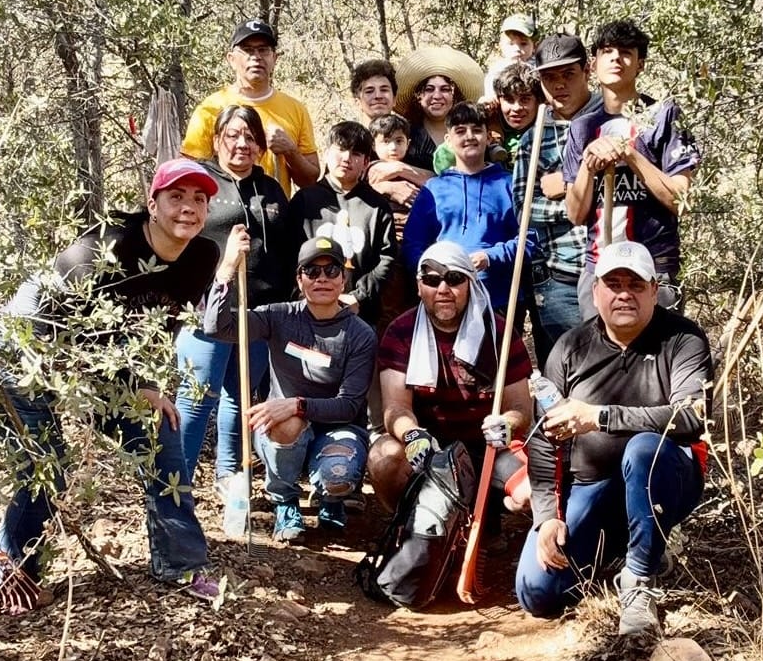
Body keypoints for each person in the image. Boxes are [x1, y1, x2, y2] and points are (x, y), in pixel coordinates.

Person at [0, 159, 224, 610]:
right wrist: (135, 382)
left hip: (102, 359)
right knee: (45, 464)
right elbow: (74, 333)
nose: (188, 208)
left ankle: (181, 565)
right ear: (152, 205)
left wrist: (148, 384)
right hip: (28, 346)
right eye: (176, 197)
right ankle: (10, 574)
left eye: (199, 199)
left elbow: (158, 325)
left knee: (160, 434)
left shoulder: (202, 256)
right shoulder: (108, 245)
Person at [514, 241, 711, 636]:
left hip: (666, 476)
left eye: (636, 285)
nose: (624, 294)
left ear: (655, 291)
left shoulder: (683, 340)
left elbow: (691, 417)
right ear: (595, 291)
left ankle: (638, 581)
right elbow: (542, 437)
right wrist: (547, 518)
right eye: (613, 283)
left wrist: (598, 418)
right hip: (592, 484)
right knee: (537, 593)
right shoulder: (570, 347)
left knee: (644, 449)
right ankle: (625, 545)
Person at [204, 233, 377, 541]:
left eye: (331, 270)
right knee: (286, 422)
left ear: (343, 280)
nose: (321, 278)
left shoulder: (360, 334)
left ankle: (331, 497)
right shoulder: (278, 316)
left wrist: (296, 403)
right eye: (311, 271)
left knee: (338, 476)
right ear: (300, 280)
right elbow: (218, 327)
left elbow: (349, 405)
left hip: (339, 428)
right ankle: (285, 500)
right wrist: (227, 269)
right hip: (287, 429)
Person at [367, 241, 532, 522]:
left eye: (454, 279)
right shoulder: (401, 332)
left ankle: (489, 518)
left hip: (489, 447)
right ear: (419, 287)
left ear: (470, 283)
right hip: (429, 448)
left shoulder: (499, 333)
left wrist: (507, 423)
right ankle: (407, 522)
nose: (443, 289)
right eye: (432, 280)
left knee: (529, 492)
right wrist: (412, 434)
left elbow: (521, 408)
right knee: (385, 457)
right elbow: (395, 407)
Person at [174, 106, 291, 494]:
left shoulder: (270, 187)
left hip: (257, 313)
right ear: (217, 139)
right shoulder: (202, 181)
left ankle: (229, 474)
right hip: (207, 307)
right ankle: (178, 481)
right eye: (233, 135)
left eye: (250, 137)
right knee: (195, 400)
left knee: (239, 398)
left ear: (260, 146)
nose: (241, 144)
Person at [563, 21, 701, 315]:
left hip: (654, 271)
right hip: (599, 270)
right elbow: (575, 213)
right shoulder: (582, 127)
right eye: (607, 51)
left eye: (626, 53)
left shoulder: (665, 115)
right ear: (593, 64)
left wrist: (630, 154)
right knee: (602, 360)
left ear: (640, 65)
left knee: (658, 359)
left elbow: (681, 200)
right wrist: (589, 164)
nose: (616, 58)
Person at [402, 102, 533, 313]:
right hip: (446, 300)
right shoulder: (434, 189)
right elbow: (412, 243)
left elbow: (529, 238)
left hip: (500, 302)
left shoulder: (510, 184)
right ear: (448, 140)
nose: (469, 136)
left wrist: (491, 257)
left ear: (488, 137)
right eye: (460, 131)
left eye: (477, 130)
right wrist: (434, 273)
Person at [499, 59, 587, 367]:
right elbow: (524, 208)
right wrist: (576, 205)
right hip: (555, 270)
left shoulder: (600, 127)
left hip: (599, 266)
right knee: (562, 365)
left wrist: (569, 186)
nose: (517, 107)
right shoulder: (533, 140)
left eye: (525, 99)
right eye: (509, 100)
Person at [182, 19, 320, 196]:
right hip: (221, 215)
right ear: (231, 59)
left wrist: (290, 151)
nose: (256, 57)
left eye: (263, 50)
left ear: (274, 58)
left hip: (274, 217)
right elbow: (188, 174)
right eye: (247, 50)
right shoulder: (210, 108)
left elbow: (310, 181)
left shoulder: (295, 109)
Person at [289, 121, 397, 326]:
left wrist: (359, 296)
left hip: (360, 315)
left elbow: (387, 259)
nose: (347, 158)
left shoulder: (377, 206)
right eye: (341, 149)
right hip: (308, 313)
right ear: (327, 153)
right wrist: (307, 295)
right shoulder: (305, 201)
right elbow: (289, 256)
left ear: (366, 162)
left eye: (356, 154)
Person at [390, 46, 485, 172]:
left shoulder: (472, 131)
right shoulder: (406, 134)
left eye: (445, 89)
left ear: (455, 96)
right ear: (418, 96)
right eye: (429, 89)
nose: (437, 96)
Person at [483, 13, 538, 98]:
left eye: (523, 44)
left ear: (534, 46)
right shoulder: (497, 70)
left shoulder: (537, 68)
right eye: (511, 44)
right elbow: (490, 95)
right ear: (501, 46)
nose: (517, 49)